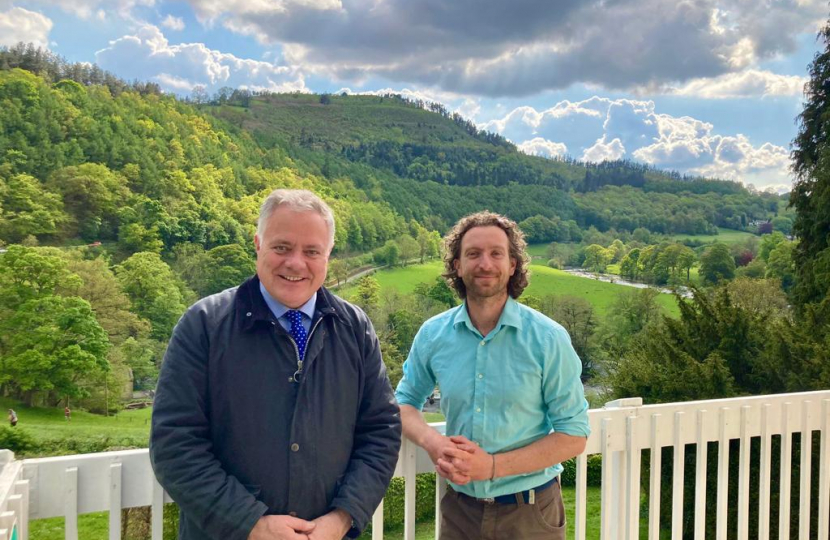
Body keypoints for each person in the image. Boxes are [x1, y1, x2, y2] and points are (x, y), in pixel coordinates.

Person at [150, 189, 401, 540]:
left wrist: (343, 518)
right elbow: (175, 445)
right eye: (282, 247)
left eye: (312, 251)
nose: (296, 263)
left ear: (328, 255)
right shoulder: (203, 325)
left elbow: (381, 432)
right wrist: (250, 523)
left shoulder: (354, 328)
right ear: (258, 244)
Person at [395, 211, 591, 540]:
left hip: (530, 514)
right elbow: (404, 402)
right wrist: (434, 442)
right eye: (473, 254)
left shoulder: (548, 339)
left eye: (496, 253)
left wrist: (493, 468)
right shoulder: (433, 335)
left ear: (512, 264)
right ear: (456, 265)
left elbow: (574, 435)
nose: (485, 263)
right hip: (460, 510)